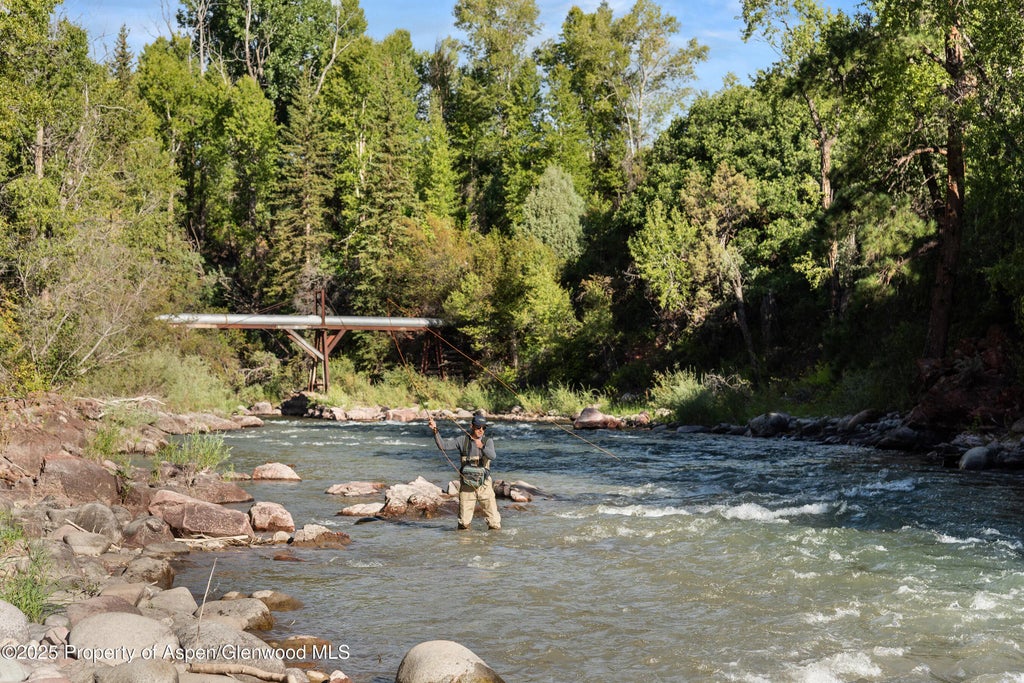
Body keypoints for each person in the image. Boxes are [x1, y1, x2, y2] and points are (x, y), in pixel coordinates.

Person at [427, 413, 501, 531]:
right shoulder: (462, 440)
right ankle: (465, 547)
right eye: (478, 427)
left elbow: (493, 456)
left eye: (484, 428)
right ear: (472, 426)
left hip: (484, 485)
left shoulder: (488, 441)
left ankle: (490, 546)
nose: (481, 430)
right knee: (464, 524)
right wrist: (435, 430)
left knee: (494, 523)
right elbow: (443, 446)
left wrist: (481, 446)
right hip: (467, 486)